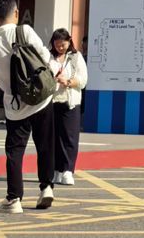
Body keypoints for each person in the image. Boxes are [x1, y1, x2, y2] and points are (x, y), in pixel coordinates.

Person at [0, 0, 56, 213]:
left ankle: (14, 199)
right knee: (45, 145)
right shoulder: (25, 31)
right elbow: (46, 57)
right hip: (41, 99)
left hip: (15, 106)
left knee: (15, 151)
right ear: (16, 13)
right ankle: (46, 188)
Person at [49, 29, 87, 187]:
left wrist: (69, 82)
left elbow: (83, 80)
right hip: (51, 102)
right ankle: (56, 170)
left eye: (63, 44)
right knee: (53, 138)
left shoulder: (76, 57)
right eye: (57, 44)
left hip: (70, 102)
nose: (60, 48)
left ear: (69, 41)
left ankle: (68, 170)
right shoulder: (48, 57)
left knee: (69, 138)